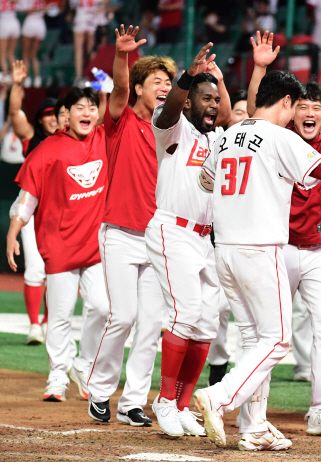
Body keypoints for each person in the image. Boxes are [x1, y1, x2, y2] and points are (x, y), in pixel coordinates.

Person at [193, 69, 321, 450]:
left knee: (255, 338)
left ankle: (253, 427)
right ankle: (219, 397)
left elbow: (205, 181)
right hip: (260, 247)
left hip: (226, 249)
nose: (295, 113)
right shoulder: (277, 135)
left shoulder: (227, 136)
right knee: (278, 340)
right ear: (286, 101)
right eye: (294, 105)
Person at [244, 30, 321, 435]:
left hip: (318, 251)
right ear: (290, 110)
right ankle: (252, 412)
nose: (309, 112)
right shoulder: (276, 138)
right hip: (277, 247)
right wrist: (260, 68)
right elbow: (254, 112)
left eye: (317, 107)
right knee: (266, 333)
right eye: (303, 106)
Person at [85, 25, 176, 428]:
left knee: (150, 326)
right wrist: (122, 56)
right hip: (120, 233)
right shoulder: (120, 121)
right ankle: (100, 390)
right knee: (121, 316)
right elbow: (119, 89)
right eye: (156, 81)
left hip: (156, 237)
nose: (164, 86)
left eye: (169, 82)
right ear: (139, 88)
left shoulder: (170, 131)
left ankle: (132, 402)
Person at [144, 43, 232, 438]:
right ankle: (163, 400)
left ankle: (182, 404)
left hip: (204, 239)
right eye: (205, 98)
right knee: (185, 312)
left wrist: (219, 84)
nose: (212, 105)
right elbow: (169, 108)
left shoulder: (219, 139)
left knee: (206, 324)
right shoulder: (173, 130)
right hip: (172, 229)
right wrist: (188, 77)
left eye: (216, 99)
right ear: (190, 101)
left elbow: (229, 116)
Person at [6, 86, 110, 403]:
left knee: (104, 309)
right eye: (79, 107)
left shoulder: (105, 140)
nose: (87, 113)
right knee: (61, 315)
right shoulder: (47, 150)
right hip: (60, 246)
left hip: (95, 246)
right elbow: (28, 198)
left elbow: (117, 105)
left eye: (92, 107)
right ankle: (57, 375)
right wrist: (13, 231)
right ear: (66, 115)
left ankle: (83, 365)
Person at [7, 60, 57, 345]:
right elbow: (14, 111)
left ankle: (50, 323)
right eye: (47, 114)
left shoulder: (73, 138)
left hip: (63, 211)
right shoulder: (32, 139)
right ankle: (35, 325)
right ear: (40, 118)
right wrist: (17, 84)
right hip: (33, 211)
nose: (52, 118)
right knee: (36, 269)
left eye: (56, 113)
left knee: (58, 270)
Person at [206, 88, 248, 387]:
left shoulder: (261, 148)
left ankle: (241, 379)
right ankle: (218, 366)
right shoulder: (216, 141)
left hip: (249, 241)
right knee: (216, 310)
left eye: (249, 112)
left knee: (251, 319)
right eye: (239, 112)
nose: (244, 118)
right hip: (214, 241)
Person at [18, 0, 46, 87]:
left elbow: (25, 9)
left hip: (30, 23)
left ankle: (27, 79)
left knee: (25, 54)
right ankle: (37, 79)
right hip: (40, 24)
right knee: (33, 55)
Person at [0, 0, 20, 84]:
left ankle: (6, 77)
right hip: (15, 23)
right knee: (11, 53)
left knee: (2, 54)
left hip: (4, 23)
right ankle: (16, 75)